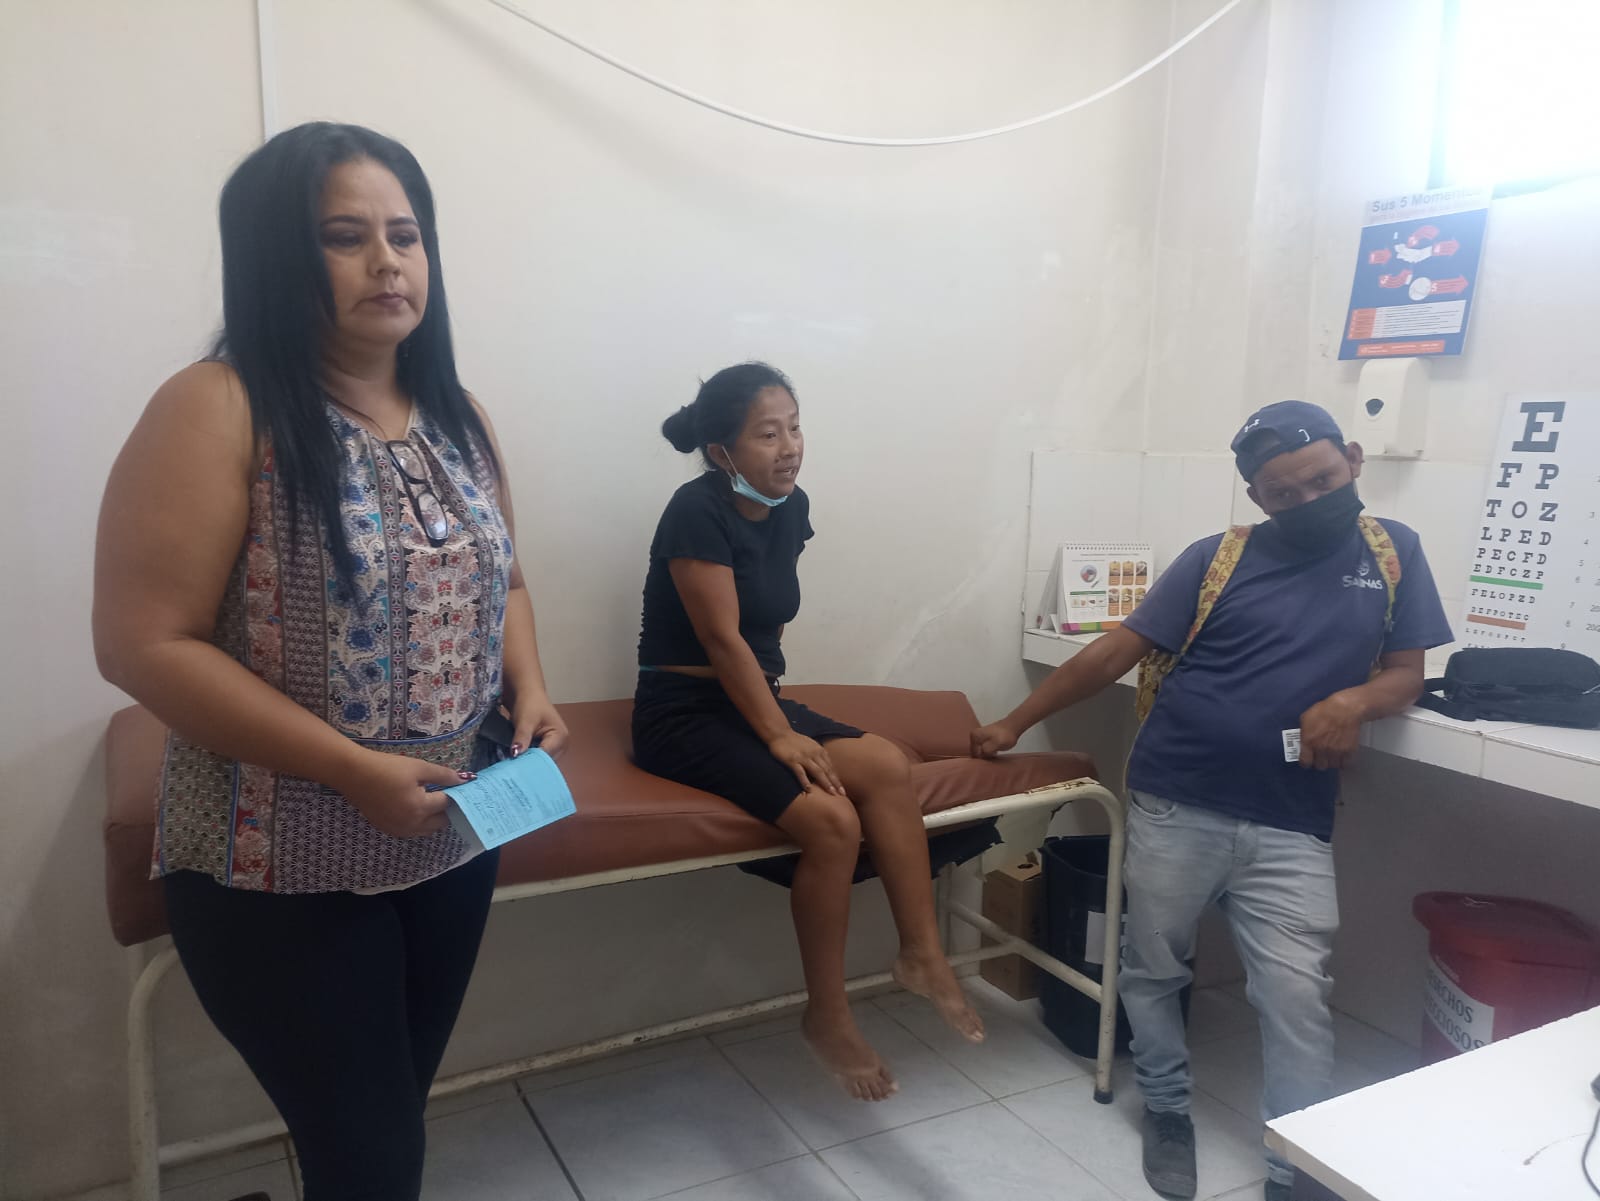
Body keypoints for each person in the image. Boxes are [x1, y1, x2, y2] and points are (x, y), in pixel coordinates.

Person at [92, 122, 568, 1200]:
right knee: (373, 1156)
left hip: (449, 835)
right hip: (274, 862)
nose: (388, 262)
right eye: (345, 238)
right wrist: (352, 767)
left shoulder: (459, 416)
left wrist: (529, 687)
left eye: (406, 235)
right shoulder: (218, 406)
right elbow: (140, 642)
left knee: (384, 1126)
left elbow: (508, 581)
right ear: (274, 256)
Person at [971, 401, 1452, 1201]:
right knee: (1153, 967)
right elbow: (1115, 651)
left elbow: (1406, 672)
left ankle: (1295, 1164)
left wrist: (1352, 702)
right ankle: (1166, 1109)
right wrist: (1013, 721)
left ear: (1354, 459)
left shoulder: (1392, 551)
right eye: (1283, 493)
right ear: (1259, 498)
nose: (1307, 500)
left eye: (1321, 480)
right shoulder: (1218, 557)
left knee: (1296, 995)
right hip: (1176, 797)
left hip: (1292, 815)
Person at [631, 362, 984, 1101]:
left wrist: (774, 714)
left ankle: (922, 954)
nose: (790, 446)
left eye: (794, 427)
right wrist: (779, 735)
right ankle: (827, 1014)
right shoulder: (695, 510)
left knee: (885, 764)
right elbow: (723, 639)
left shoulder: (791, 507)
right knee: (831, 821)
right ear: (722, 451)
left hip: (752, 698)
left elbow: (767, 628)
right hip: (681, 712)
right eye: (768, 434)